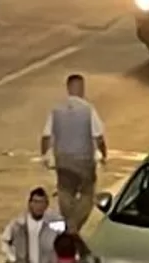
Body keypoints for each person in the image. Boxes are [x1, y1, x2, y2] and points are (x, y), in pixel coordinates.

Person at [41, 74, 108, 234]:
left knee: (65, 192)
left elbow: (46, 136)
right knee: (87, 195)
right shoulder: (88, 110)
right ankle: (73, 227)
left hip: (63, 159)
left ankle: (69, 225)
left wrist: (45, 155)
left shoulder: (56, 110)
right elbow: (98, 136)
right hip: (83, 160)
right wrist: (104, 154)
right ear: (79, 88)